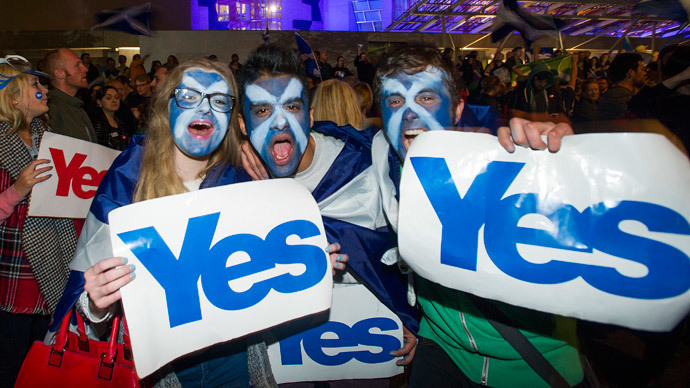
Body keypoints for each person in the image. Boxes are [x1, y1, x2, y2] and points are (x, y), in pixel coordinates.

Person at [49, 58, 280, 387]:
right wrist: (96, 303)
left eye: (218, 100)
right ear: (166, 105)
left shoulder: (243, 174)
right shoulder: (128, 177)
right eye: (189, 96)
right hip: (159, 367)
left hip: (234, 359)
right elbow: (85, 296)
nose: (204, 109)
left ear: (231, 116)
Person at [370, 45, 582, 388]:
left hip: (532, 364)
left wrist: (562, 162)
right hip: (439, 347)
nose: (408, 112)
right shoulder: (384, 155)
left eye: (426, 98)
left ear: (457, 108)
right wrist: (252, 148)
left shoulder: (508, 162)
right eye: (394, 101)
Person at [238, 44, 418, 372]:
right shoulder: (233, 184)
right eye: (262, 111)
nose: (279, 123)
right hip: (280, 361)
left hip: (364, 351)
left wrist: (412, 319)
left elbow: (407, 253)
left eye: (291, 106)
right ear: (241, 124)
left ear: (309, 115)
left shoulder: (367, 169)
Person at [0, 55, 78, 387]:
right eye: (36, 84)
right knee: (11, 366)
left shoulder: (46, 136)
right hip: (14, 273)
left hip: (51, 267)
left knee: (43, 366)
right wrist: (18, 188)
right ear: (14, 97)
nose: (44, 89)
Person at [43, 48, 97, 142]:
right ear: (60, 73)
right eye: (77, 65)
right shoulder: (50, 109)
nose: (85, 69)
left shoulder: (76, 106)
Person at [597, 52, 645, 121]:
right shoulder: (621, 98)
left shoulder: (616, 94)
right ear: (631, 72)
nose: (644, 73)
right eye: (642, 69)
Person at [89, 85, 132, 150]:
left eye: (117, 97)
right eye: (108, 98)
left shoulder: (120, 121)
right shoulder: (96, 123)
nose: (114, 101)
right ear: (99, 102)